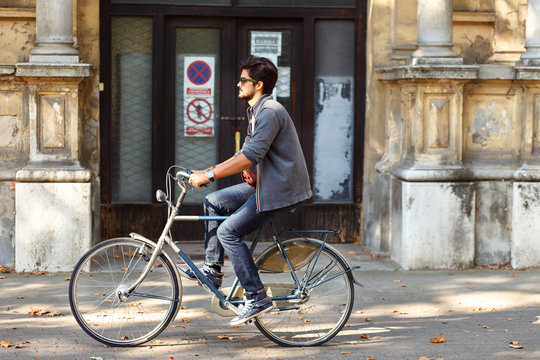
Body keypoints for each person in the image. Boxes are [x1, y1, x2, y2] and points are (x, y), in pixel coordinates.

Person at [184, 56, 312, 326]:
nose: (238, 83)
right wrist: (241, 170)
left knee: (228, 231)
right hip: (266, 183)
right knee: (214, 201)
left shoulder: (270, 111)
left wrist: (208, 173)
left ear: (259, 84)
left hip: (280, 189)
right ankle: (213, 270)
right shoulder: (256, 111)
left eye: (244, 80)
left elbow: (251, 154)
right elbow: (251, 154)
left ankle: (256, 297)